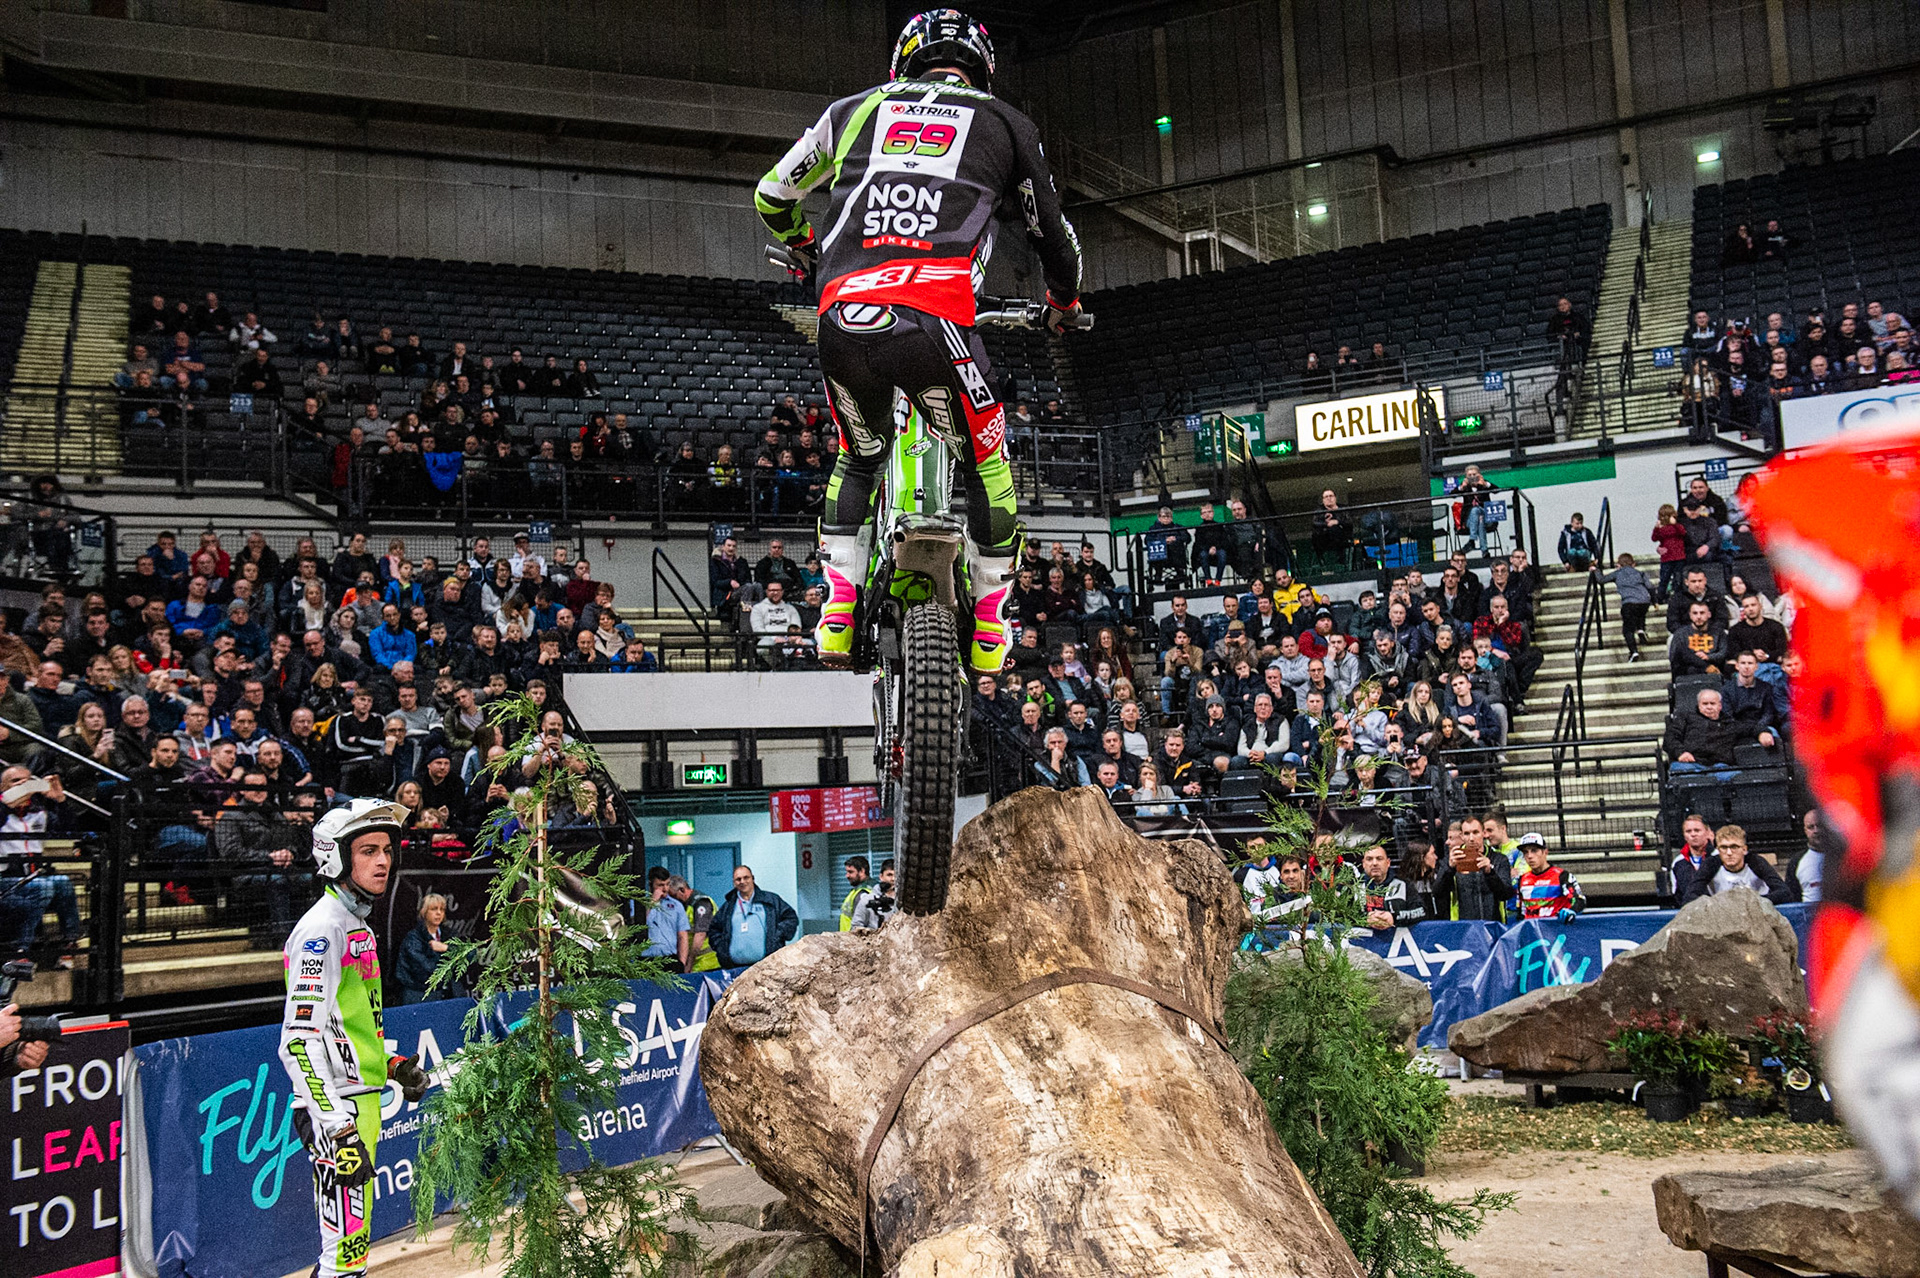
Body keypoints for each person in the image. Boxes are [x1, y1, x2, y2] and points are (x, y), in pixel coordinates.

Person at [757, 9, 1084, 674]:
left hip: (844, 319)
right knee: (988, 465)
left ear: (904, 61)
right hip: (934, 322)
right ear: (981, 66)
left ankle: (837, 611)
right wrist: (1063, 301)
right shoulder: (1005, 122)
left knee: (858, 456)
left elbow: (772, 194)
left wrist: (805, 248)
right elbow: (1052, 233)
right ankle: (990, 622)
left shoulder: (851, 110)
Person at [279, 799, 430, 1278]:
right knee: (342, 1256)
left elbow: (346, 1025)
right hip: (337, 1113)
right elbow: (299, 1040)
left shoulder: (354, 922)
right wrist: (337, 1128)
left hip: (358, 1102)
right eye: (368, 851)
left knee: (353, 1248)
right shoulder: (323, 930)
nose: (383, 861)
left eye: (387, 850)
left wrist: (391, 1064)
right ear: (336, 857)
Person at [1681, 823, 1797, 904]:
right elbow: (1689, 897)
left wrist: (1755, 902)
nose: (1729, 853)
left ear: (1744, 849)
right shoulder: (1711, 864)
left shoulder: (1756, 862)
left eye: (1734, 847)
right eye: (1723, 848)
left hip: (1758, 913)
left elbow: (1784, 893)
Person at [708, 865, 798, 967]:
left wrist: (777, 936)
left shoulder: (771, 900)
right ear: (734, 883)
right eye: (738, 879)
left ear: (753, 879)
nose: (742, 882)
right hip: (735, 968)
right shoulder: (728, 906)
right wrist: (721, 948)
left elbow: (791, 918)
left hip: (768, 967)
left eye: (746, 877)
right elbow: (713, 929)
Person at [1594, 553, 1655, 661]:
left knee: (1628, 629)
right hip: (1644, 601)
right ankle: (1641, 630)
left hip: (1629, 602)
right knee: (1640, 613)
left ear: (1618, 565)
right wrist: (1654, 601)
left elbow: (1601, 580)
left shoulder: (1618, 573)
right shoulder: (1640, 573)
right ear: (1633, 564)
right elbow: (1650, 586)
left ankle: (1633, 651)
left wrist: (1595, 570)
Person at [393, 892, 452, 1004]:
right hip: (419, 996)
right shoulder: (413, 938)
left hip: (445, 995)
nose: (439, 913)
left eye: (442, 909)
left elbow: (470, 953)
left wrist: (447, 948)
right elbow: (425, 969)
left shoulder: (448, 933)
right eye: (434, 909)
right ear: (424, 912)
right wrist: (451, 963)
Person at [1512, 832, 1586, 920]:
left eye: (1534, 851)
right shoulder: (1522, 879)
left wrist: (1572, 910)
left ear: (1545, 852)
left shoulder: (1562, 876)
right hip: (1533, 927)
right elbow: (1521, 913)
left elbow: (1579, 900)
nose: (1530, 856)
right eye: (1525, 852)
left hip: (1556, 927)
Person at [664, 875, 719, 971]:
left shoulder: (701, 903)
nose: (673, 900)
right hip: (696, 962)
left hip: (707, 962)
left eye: (674, 896)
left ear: (682, 890)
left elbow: (700, 935)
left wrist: (689, 963)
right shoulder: (685, 906)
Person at [643, 867, 690, 972]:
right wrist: (652, 902)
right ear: (651, 885)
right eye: (660, 885)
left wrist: (682, 962)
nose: (665, 889)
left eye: (667, 884)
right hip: (646, 959)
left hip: (669, 959)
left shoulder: (676, 906)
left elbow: (682, 936)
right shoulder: (641, 904)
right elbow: (638, 925)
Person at [848, 858, 897, 929]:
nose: (893, 879)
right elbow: (856, 927)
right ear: (881, 877)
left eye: (896, 875)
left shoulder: (904, 902)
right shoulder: (867, 900)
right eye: (889, 875)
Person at [838, 855, 874, 932]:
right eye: (847, 872)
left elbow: (860, 925)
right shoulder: (858, 890)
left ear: (862, 871)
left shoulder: (863, 893)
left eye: (850, 872)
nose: (847, 875)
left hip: (853, 937)